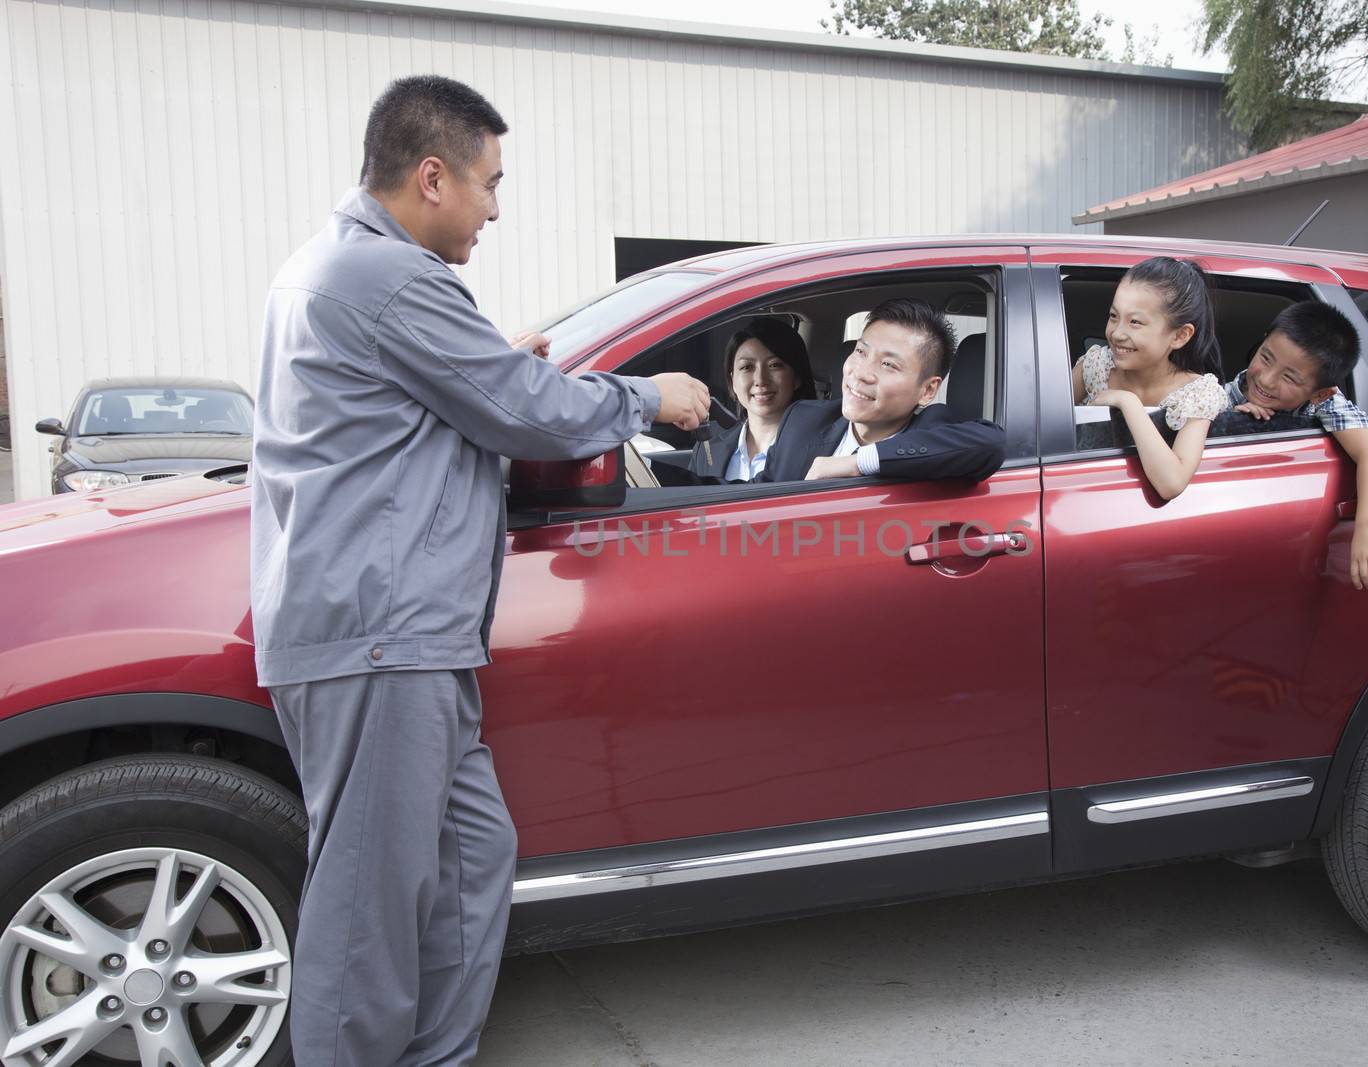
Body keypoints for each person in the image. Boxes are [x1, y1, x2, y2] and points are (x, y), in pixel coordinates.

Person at [249, 75, 708, 1066]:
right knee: (371, 907)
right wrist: (648, 394)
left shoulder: (331, 268)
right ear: (431, 177)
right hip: (381, 635)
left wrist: (493, 363)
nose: (496, 208)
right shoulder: (393, 278)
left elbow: (437, 402)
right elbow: (527, 411)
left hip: (400, 634)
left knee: (467, 859)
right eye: (490, 184)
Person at [1227, 301, 1368, 589]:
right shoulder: (1226, 392)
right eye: (1266, 358)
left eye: (1289, 377)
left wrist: (1367, 528)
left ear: (1320, 392)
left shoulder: (1325, 402)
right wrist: (1228, 420)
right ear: (1264, 339)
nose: (1266, 379)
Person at [756, 297, 1005, 483]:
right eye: (861, 352)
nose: (862, 373)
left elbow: (991, 443)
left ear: (928, 390)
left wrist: (858, 463)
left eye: (888, 364)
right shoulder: (803, 420)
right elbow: (754, 496)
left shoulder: (935, 430)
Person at [1073, 257, 1228, 500]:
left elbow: (1171, 483)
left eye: (1135, 322)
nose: (1117, 333)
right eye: (1114, 316)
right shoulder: (1095, 366)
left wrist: (1128, 402)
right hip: (1084, 497)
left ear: (1179, 336)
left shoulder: (1198, 394)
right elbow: (1036, 429)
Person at [689, 317, 817, 480]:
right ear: (732, 381)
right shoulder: (707, 451)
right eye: (747, 367)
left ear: (797, 377)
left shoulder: (818, 448)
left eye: (774, 365)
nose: (761, 380)